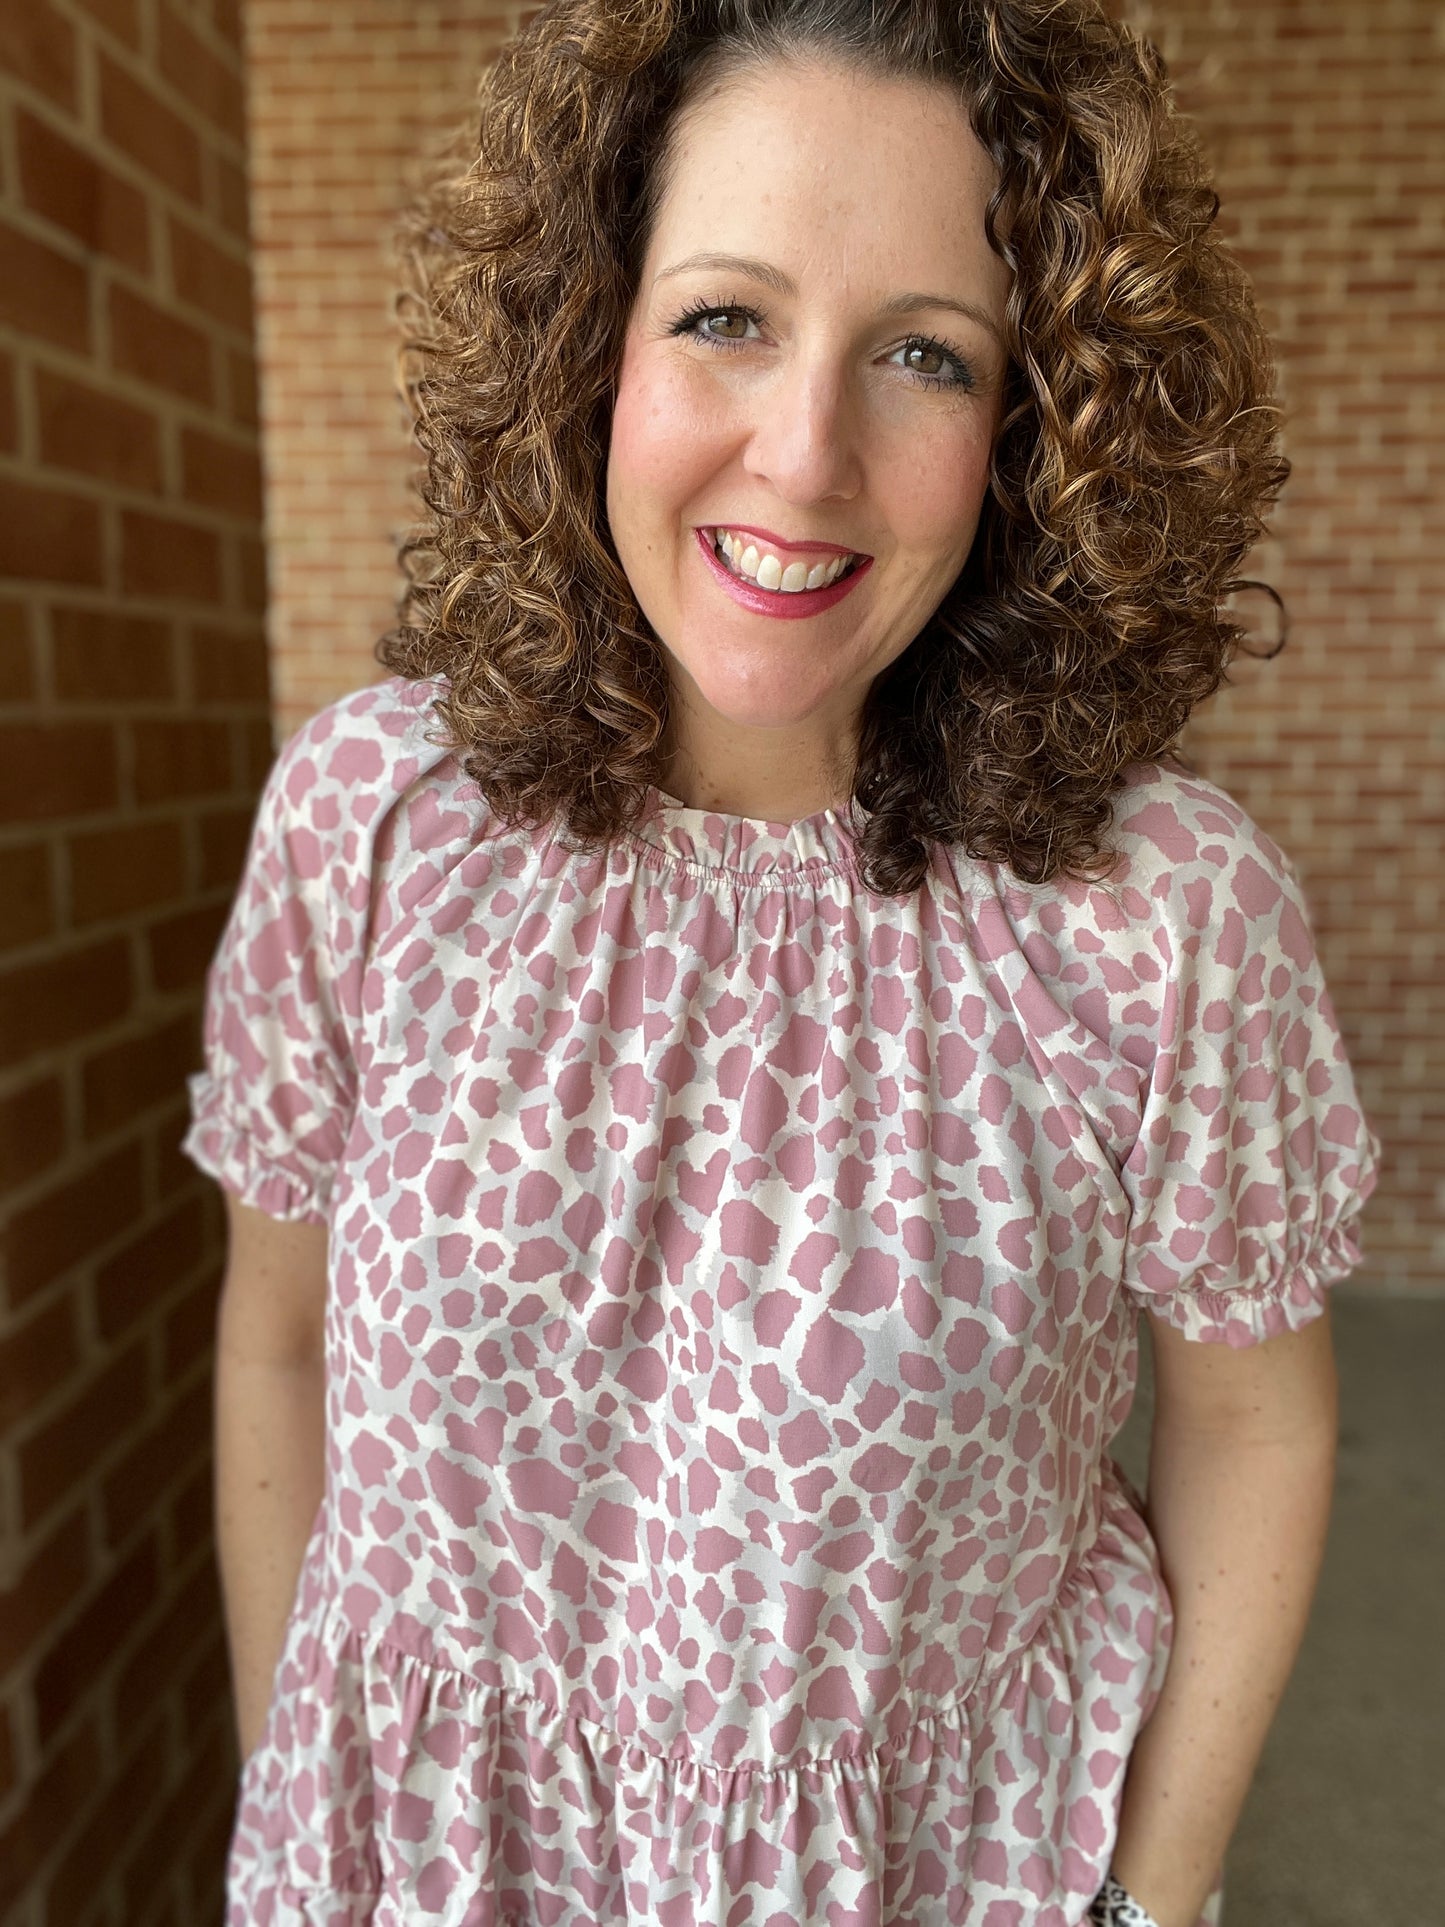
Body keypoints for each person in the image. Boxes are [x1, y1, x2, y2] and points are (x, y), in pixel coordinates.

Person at [184, 2, 1381, 1923]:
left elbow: (1255, 1413)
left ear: (1033, 433)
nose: (805, 453)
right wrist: (297, 1798)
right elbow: (281, 1333)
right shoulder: (372, 827)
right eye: (723, 317)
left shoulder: (1151, 917)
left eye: (924, 353)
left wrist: (1147, 1905)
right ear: (589, 351)